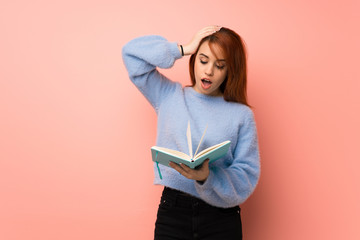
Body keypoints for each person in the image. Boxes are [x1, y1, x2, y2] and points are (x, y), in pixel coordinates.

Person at [122, 26, 260, 240]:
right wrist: (183, 48)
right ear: (194, 59)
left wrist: (208, 177)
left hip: (221, 217)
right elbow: (131, 53)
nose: (209, 71)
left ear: (229, 70)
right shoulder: (169, 95)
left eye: (219, 65)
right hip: (174, 212)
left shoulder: (241, 115)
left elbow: (247, 175)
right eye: (203, 60)